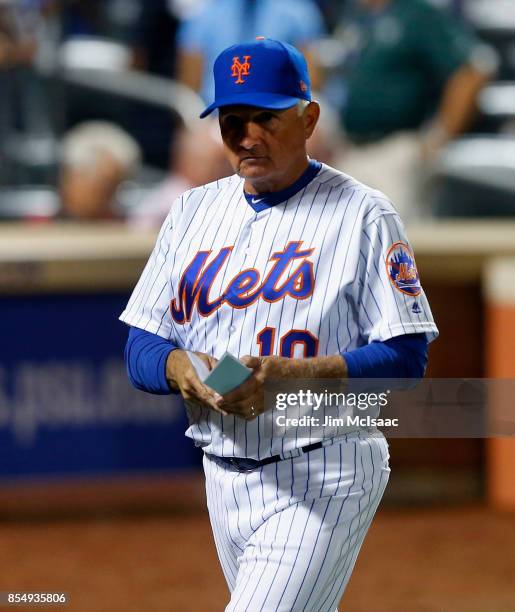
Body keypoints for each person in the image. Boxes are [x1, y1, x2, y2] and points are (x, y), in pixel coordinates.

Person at [120, 38, 438, 610]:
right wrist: (183, 371)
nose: (247, 136)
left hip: (325, 468)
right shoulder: (192, 211)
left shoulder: (365, 213)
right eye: (232, 120)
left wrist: (298, 374)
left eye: (266, 117)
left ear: (309, 116)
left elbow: (407, 357)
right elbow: (140, 344)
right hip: (222, 474)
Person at [333, 0, 497, 220]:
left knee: (395, 244)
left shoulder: (418, 14)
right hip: (348, 151)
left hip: (396, 152)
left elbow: (473, 71)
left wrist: (437, 138)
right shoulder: (354, 16)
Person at [176, 0, 326, 103]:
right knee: (196, 146)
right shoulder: (203, 14)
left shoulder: (298, 12)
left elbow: (310, 83)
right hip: (216, 118)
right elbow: (189, 90)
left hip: (282, 114)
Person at [59, 121, 141, 220]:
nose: (111, 197)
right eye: (105, 184)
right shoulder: (42, 223)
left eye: (115, 185)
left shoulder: (129, 224)